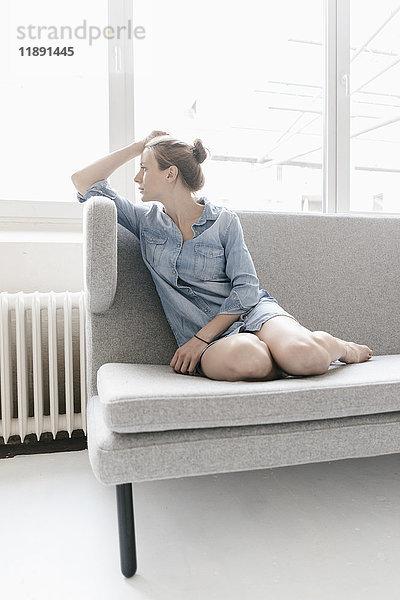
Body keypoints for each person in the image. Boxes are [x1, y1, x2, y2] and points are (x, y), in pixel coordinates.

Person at [71, 131, 373, 382]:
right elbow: (83, 181)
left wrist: (200, 338)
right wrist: (141, 146)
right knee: (250, 358)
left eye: (145, 168)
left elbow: (246, 289)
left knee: (305, 356)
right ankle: (279, 355)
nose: (137, 177)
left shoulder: (223, 221)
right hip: (212, 341)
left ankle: (337, 347)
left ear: (171, 173)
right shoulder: (144, 222)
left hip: (252, 315)